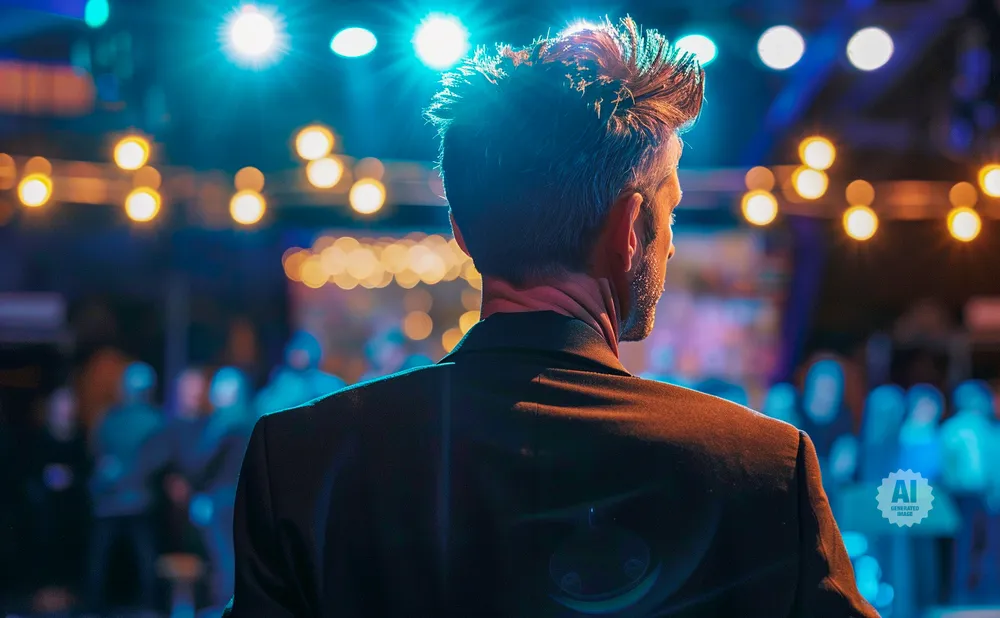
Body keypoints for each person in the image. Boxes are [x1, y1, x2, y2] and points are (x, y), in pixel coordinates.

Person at [226, 18, 875, 617]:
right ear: (630, 229)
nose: (671, 244)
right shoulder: (762, 469)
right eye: (670, 211)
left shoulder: (303, 461)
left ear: (461, 232)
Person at [86, 362, 164, 612]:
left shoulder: (109, 419)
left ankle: (94, 608)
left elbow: (98, 455)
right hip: (138, 498)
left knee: (102, 557)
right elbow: (157, 461)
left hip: (110, 498)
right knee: (144, 557)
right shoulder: (155, 420)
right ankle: (149, 607)